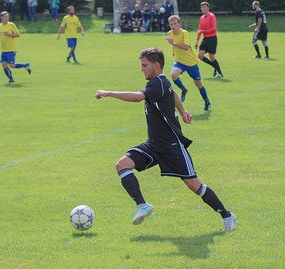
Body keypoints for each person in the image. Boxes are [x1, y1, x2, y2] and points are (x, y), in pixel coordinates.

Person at [95, 47, 236, 231]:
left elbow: (139, 98)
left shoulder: (158, 83)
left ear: (156, 65)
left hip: (171, 146)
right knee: (122, 165)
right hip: (153, 144)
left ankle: (227, 216)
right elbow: (174, 94)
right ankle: (142, 205)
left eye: (144, 65)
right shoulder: (162, 83)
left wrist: (108, 93)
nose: (141, 69)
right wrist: (183, 111)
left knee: (194, 185)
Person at [165, 15, 211, 110]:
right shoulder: (169, 33)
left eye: (175, 24)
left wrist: (173, 44)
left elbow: (186, 47)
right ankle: (183, 89)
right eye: (171, 24)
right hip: (179, 61)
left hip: (191, 63)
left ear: (179, 24)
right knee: (173, 75)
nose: (173, 26)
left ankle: (206, 101)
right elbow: (174, 45)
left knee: (198, 84)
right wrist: (174, 51)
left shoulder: (184, 33)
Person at [0, 11, 31, 84]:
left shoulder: (11, 25)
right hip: (4, 49)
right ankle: (11, 80)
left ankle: (25, 65)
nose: (7, 18)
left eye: (7, 17)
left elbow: (17, 35)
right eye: (5, 17)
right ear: (1, 17)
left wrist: (9, 34)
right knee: (4, 65)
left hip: (11, 49)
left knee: (12, 65)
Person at [195, 2, 223, 78]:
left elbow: (214, 28)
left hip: (212, 39)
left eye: (204, 7)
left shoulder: (212, 16)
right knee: (200, 56)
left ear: (208, 8)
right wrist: (197, 40)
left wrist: (204, 31)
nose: (203, 8)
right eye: (202, 7)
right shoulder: (201, 18)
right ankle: (214, 66)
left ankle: (220, 73)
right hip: (205, 39)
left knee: (211, 57)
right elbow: (199, 30)